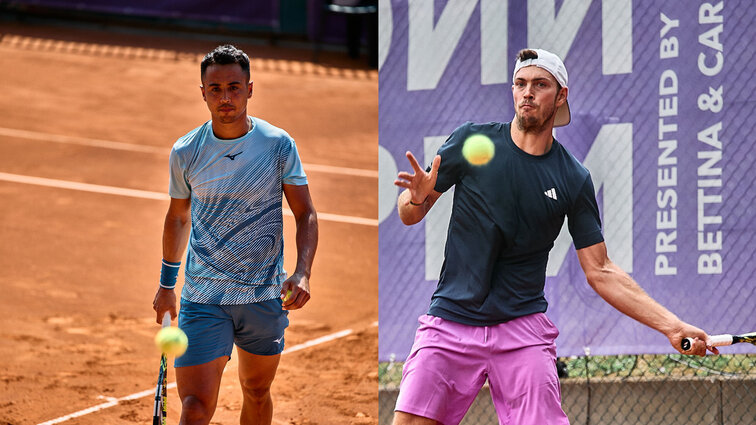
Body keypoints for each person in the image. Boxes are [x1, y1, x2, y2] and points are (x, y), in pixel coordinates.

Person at [391, 48, 717, 425]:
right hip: (451, 320)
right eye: (520, 84)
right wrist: (413, 198)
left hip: (522, 329)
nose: (527, 93)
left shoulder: (572, 178)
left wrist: (672, 325)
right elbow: (409, 215)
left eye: (539, 84)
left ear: (560, 95)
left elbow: (601, 270)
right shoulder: (471, 141)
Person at [152, 44, 318, 425]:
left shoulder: (277, 145)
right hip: (203, 296)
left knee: (257, 392)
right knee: (194, 405)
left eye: (234, 87)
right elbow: (178, 217)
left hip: (263, 294)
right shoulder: (186, 151)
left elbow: (305, 212)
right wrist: (166, 285)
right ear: (203, 92)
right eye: (215, 89)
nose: (225, 97)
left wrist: (303, 270)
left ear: (249, 88)